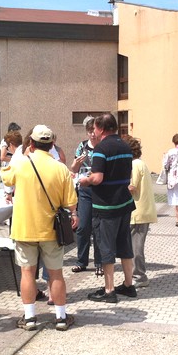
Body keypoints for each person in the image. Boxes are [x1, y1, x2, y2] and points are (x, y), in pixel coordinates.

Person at [1, 125, 77, 331]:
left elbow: (5, 176)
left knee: (27, 272)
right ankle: (61, 318)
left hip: (24, 228)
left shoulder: (21, 163)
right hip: (51, 229)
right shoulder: (60, 168)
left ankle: (30, 318)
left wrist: (22, 156)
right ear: (52, 144)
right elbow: (70, 202)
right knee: (56, 273)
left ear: (31, 144)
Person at [78, 113, 136, 303]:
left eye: (94, 128)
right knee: (125, 245)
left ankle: (109, 290)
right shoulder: (126, 146)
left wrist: (84, 181)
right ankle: (129, 285)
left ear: (101, 129)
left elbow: (97, 178)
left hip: (106, 205)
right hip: (125, 203)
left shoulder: (101, 149)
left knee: (106, 247)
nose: (93, 132)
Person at [126, 135, 157, 288]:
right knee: (135, 246)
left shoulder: (134, 165)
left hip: (137, 211)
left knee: (135, 247)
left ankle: (140, 276)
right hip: (143, 211)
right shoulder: (141, 163)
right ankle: (136, 275)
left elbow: (131, 187)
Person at [69, 116, 98, 274]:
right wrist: (77, 163)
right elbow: (73, 169)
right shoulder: (82, 146)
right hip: (85, 189)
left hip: (100, 188)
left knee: (98, 227)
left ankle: (100, 262)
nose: (92, 135)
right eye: (89, 131)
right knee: (83, 227)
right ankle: (81, 261)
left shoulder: (102, 146)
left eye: (94, 131)